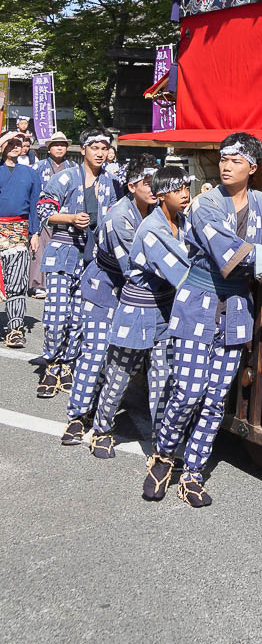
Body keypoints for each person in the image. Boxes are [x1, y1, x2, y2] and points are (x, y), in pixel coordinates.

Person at [145, 132, 262, 507]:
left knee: (214, 399)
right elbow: (229, 253)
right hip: (198, 301)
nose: (226, 166)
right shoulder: (205, 203)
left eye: (235, 161)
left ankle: (192, 474)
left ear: (252, 168)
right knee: (188, 391)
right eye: (223, 159)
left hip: (237, 308)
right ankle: (163, 456)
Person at [87, 163, 188, 460]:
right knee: (119, 375)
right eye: (177, 189)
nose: (184, 194)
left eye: (186, 187)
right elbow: (183, 272)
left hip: (165, 307)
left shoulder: (183, 221)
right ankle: (101, 429)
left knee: (163, 378)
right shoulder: (151, 228)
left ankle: (162, 444)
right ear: (161, 195)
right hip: (137, 307)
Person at [60, 155, 158, 446]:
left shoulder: (156, 211)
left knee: (117, 359)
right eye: (147, 183)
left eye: (157, 183)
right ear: (131, 186)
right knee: (95, 352)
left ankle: (99, 407)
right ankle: (78, 414)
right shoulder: (119, 217)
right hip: (105, 285)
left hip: (136, 289)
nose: (154, 189)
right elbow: (134, 267)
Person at [36, 130, 116, 398]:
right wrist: (69, 218)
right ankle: (52, 363)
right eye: (94, 147)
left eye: (104, 148)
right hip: (63, 251)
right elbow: (43, 209)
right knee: (57, 316)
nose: (100, 153)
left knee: (80, 317)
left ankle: (69, 364)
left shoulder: (111, 182)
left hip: (93, 257)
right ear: (83, 150)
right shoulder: (65, 177)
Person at [0, 131, 42, 349]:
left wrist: (35, 233)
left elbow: (35, 205)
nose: (16, 146)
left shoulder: (30, 173)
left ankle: (15, 329)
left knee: (16, 284)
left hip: (19, 231)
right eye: (11, 142)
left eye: (20, 142)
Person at [28, 132, 70, 297]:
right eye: (56, 145)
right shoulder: (38, 167)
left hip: (65, 215)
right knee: (39, 248)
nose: (59, 148)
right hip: (41, 213)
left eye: (62, 145)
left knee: (63, 249)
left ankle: (60, 282)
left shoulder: (73, 168)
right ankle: (38, 284)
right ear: (49, 148)